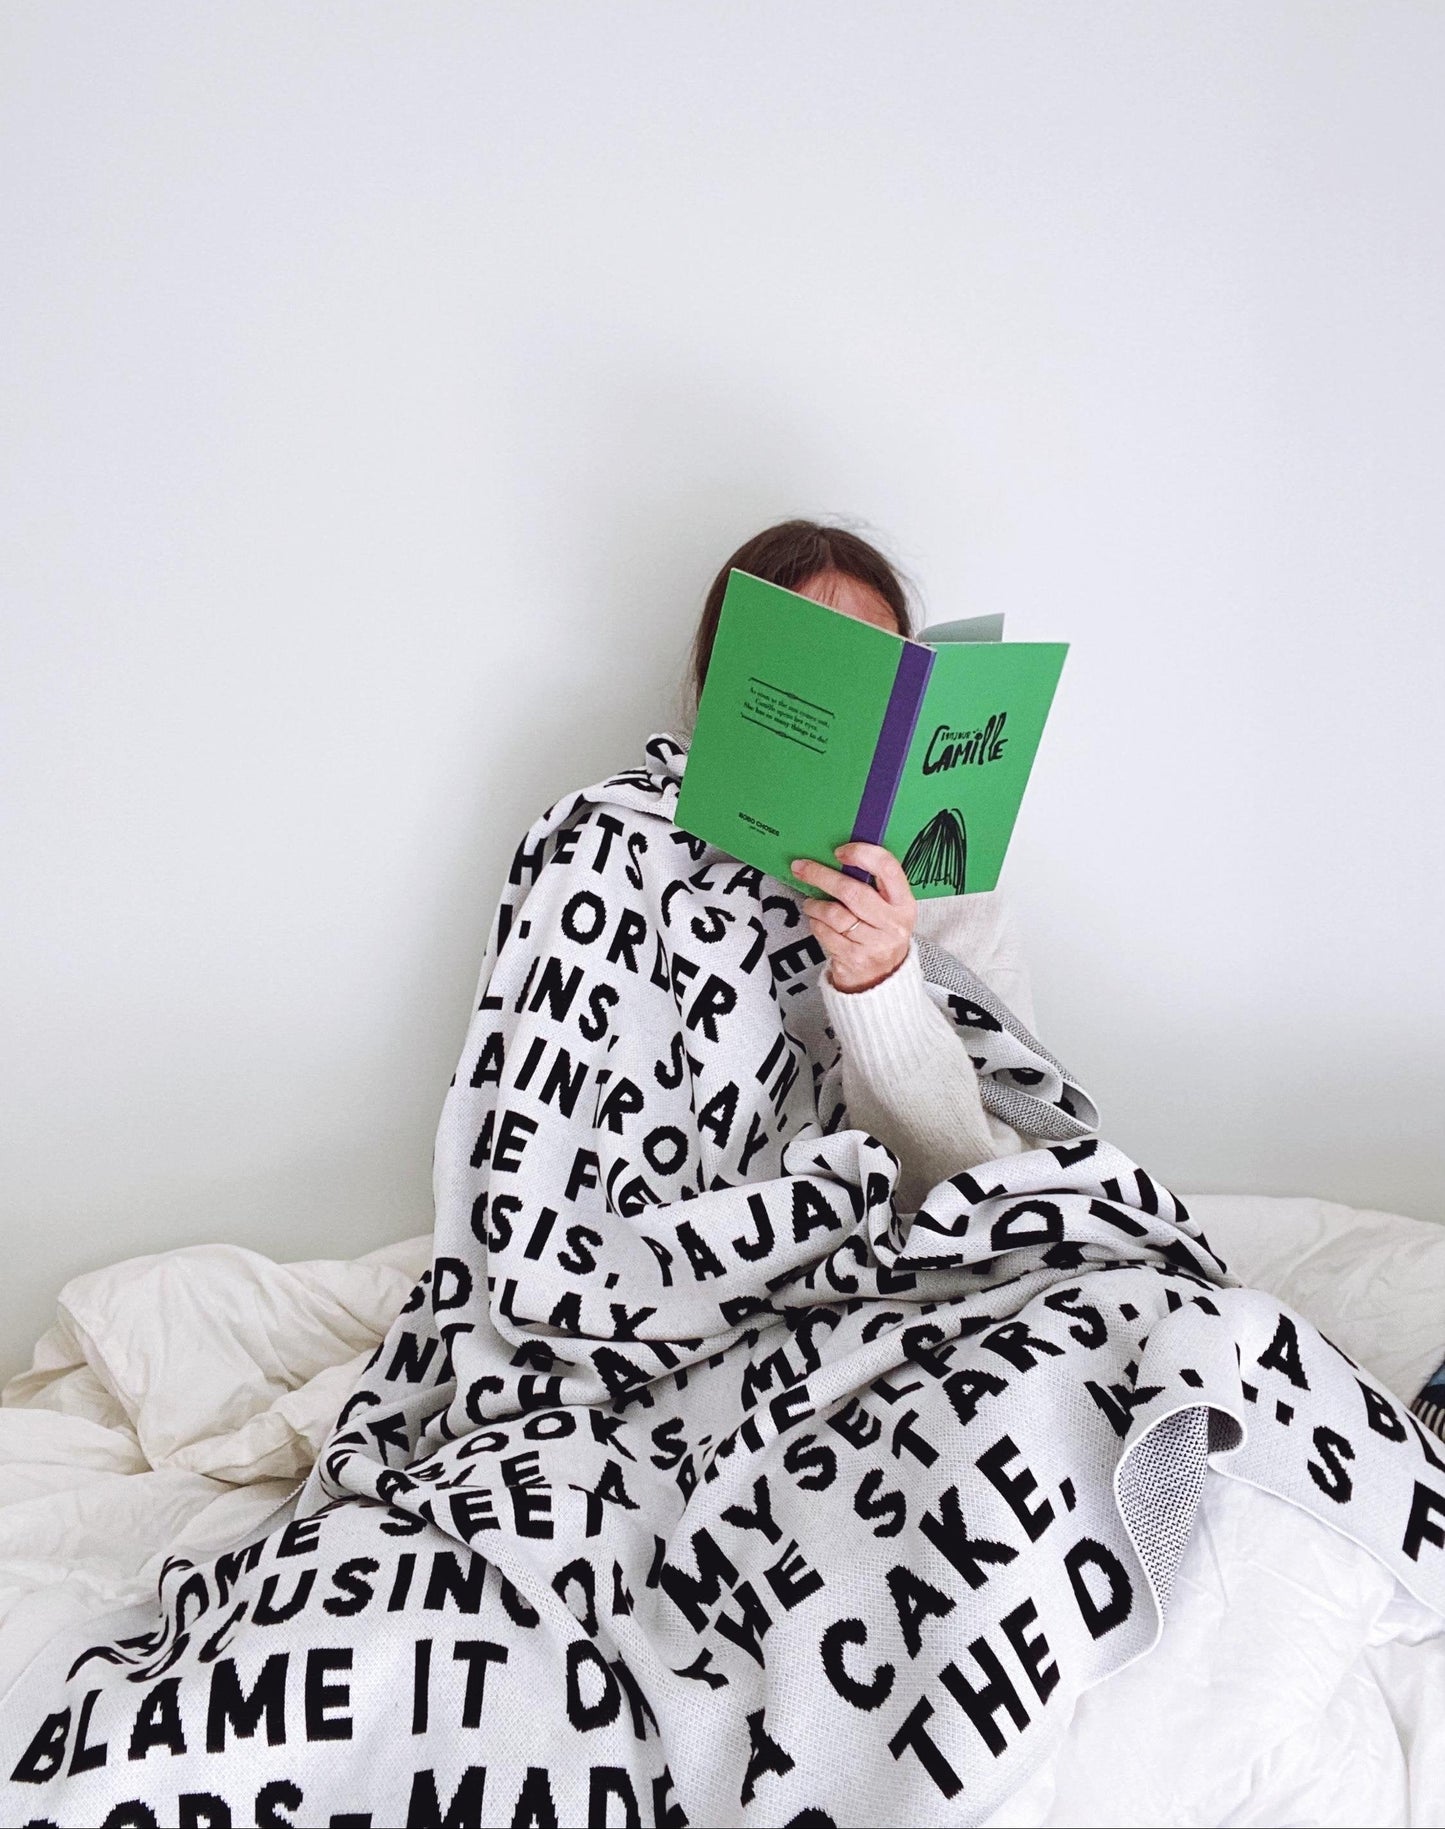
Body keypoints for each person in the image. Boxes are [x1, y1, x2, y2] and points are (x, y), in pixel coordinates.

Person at [684, 517, 1041, 1209]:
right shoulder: (624, 849)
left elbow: (985, 1181)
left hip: (921, 1250)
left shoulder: (957, 888)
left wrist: (879, 982)